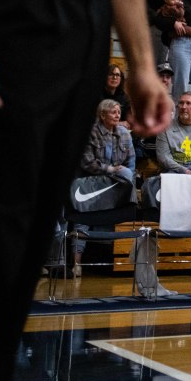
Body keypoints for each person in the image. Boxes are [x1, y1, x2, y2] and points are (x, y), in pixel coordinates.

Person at [72, 99, 137, 274]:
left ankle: (113, 262)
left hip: (113, 182)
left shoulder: (124, 133)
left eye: (118, 112)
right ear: (102, 115)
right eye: (113, 112)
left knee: (128, 174)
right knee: (82, 217)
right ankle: (76, 263)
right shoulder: (90, 132)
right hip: (90, 180)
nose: (117, 115)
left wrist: (122, 177)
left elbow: (131, 162)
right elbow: (87, 163)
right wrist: (109, 169)